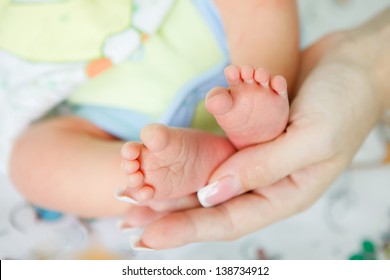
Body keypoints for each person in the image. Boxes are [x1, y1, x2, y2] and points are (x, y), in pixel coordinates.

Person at [118, 7, 390, 250]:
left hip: (205, 26)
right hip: (104, 110)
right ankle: (185, 167)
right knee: (81, 169)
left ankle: (257, 111)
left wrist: (369, 70)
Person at [8, 0, 299, 217]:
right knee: (30, 163)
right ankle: (162, 171)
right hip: (113, 112)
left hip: (204, 23)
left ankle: (258, 104)